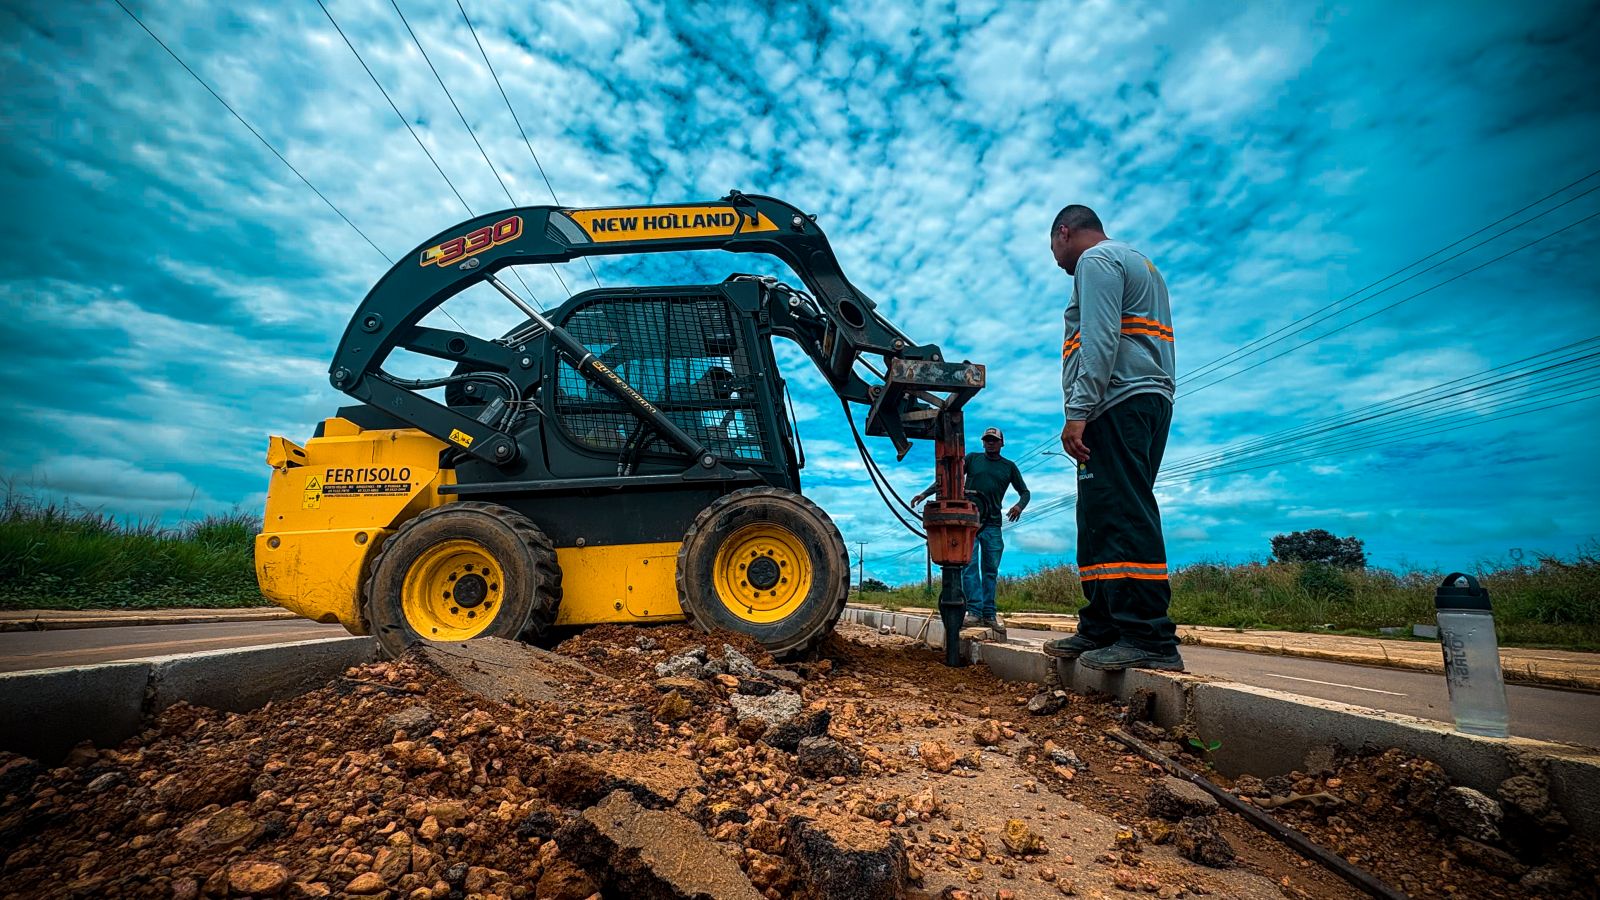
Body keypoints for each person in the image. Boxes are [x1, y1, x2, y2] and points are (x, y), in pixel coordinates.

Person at [1042, 204, 1183, 671]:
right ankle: (1102, 626)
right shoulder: (1140, 263)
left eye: (1054, 249)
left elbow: (1099, 340)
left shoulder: (1096, 262)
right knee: (1101, 513)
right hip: (1143, 397)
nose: (1058, 262)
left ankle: (1148, 635)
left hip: (1116, 401)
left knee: (1122, 509)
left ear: (1065, 233)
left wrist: (1078, 411)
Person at [911, 426, 1029, 634]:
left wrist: (1019, 506)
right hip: (970, 523)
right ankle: (974, 611)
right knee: (969, 566)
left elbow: (1025, 492)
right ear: (983, 443)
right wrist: (924, 493)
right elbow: (948, 478)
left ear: (1002, 443)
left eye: (994, 440)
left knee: (990, 569)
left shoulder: (1009, 467)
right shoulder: (973, 459)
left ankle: (989, 614)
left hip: (992, 524)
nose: (990, 443)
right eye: (987, 440)